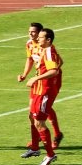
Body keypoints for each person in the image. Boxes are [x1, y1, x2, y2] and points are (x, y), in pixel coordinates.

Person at [18, 22, 65, 150]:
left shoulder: (47, 48)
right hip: (38, 80)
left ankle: (56, 135)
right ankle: (39, 136)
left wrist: (49, 75)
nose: (31, 34)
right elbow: (30, 59)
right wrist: (24, 75)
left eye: (34, 32)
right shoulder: (29, 44)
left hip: (49, 81)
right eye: (29, 31)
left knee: (44, 108)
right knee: (33, 110)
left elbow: (59, 62)